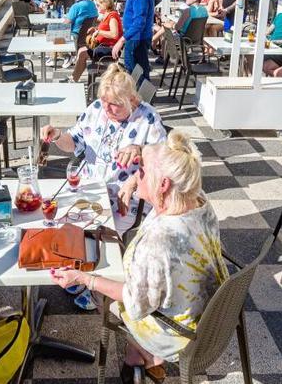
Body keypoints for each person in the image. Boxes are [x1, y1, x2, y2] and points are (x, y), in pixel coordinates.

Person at [49, 129, 227, 384]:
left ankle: (146, 354)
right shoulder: (197, 200)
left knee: (101, 293)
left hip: (179, 333)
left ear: (163, 184)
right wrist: (135, 181)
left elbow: (134, 303)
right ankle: (137, 357)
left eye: (141, 170)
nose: (136, 173)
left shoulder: (160, 242)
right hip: (211, 312)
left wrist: (84, 278)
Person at [41, 65, 167, 310]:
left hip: (123, 197)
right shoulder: (97, 109)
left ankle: (99, 285)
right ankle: (80, 270)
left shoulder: (147, 118)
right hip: (88, 184)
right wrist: (57, 136)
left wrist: (138, 161)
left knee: (97, 228)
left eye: (115, 105)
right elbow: (73, 142)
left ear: (132, 99)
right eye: (104, 101)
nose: (107, 109)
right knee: (58, 215)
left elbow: (164, 161)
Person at [112, 0, 155, 83]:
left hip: (137, 38)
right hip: (136, 36)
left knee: (136, 73)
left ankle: (141, 99)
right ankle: (142, 98)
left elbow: (139, 22)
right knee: (139, 71)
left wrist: (121, 40)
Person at [67, 0, 123, 82]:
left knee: (82, 53)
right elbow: (105, 29)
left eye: (98, 5)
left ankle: (74, 79)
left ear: (105, 4)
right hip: (103, 46)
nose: (97, 7)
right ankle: (74, 77)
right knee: (81, 51)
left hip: (110, 48)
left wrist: (99, 31)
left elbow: (114, 34)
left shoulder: (112, 16)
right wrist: (95, 29)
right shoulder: (107, 15)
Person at [51, 0, 98, 68]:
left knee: (54, 33)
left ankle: (63, 56)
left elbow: (67, 23)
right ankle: (67, 56)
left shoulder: (76, 6)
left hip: (76, 34)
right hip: (88, 34)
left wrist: (56, 27)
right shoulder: (92, 4)